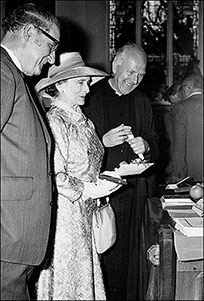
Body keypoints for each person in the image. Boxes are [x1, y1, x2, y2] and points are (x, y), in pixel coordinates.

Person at [34, 52, 123, 300]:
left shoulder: (84, 121)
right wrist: (86, 189)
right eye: (80, 83)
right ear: (59, 85)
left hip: (85, 214)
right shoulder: (55, 122)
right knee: (68, 280)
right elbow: (54, 174)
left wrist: (106, 178)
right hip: (64, 218)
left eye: (87, 83)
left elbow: (88, 165)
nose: (88, 89)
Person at [83, 42, 159, 301]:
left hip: (135, 196)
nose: (134, 80)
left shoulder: (142, 101)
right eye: (130, 72)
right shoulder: (91, 97)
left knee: (132, 265)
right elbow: (74, 151)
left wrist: (146, 145)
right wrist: (102, 141)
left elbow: (157, 144)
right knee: (103, 260)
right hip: (103, 197)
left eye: (140, 75)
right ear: (116, 65)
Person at [0, 3, 60, 300]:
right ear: (29, 33)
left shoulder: (13, 75)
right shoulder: (2, 71)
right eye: (51, 46)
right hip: (7, 237)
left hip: (15, 237)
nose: (53, 58)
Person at [170, 73, 203, 183]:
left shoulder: (181, 107)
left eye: (182, 88)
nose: (181, 92)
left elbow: (179, 145)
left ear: (188, 87)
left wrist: (179, 173)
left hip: (192, 173)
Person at [163, 82, 183, 181]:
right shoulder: (168, 116)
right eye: (172, 103)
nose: (174, 107)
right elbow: (173, 142)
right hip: (174, 161)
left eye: (177, 103)